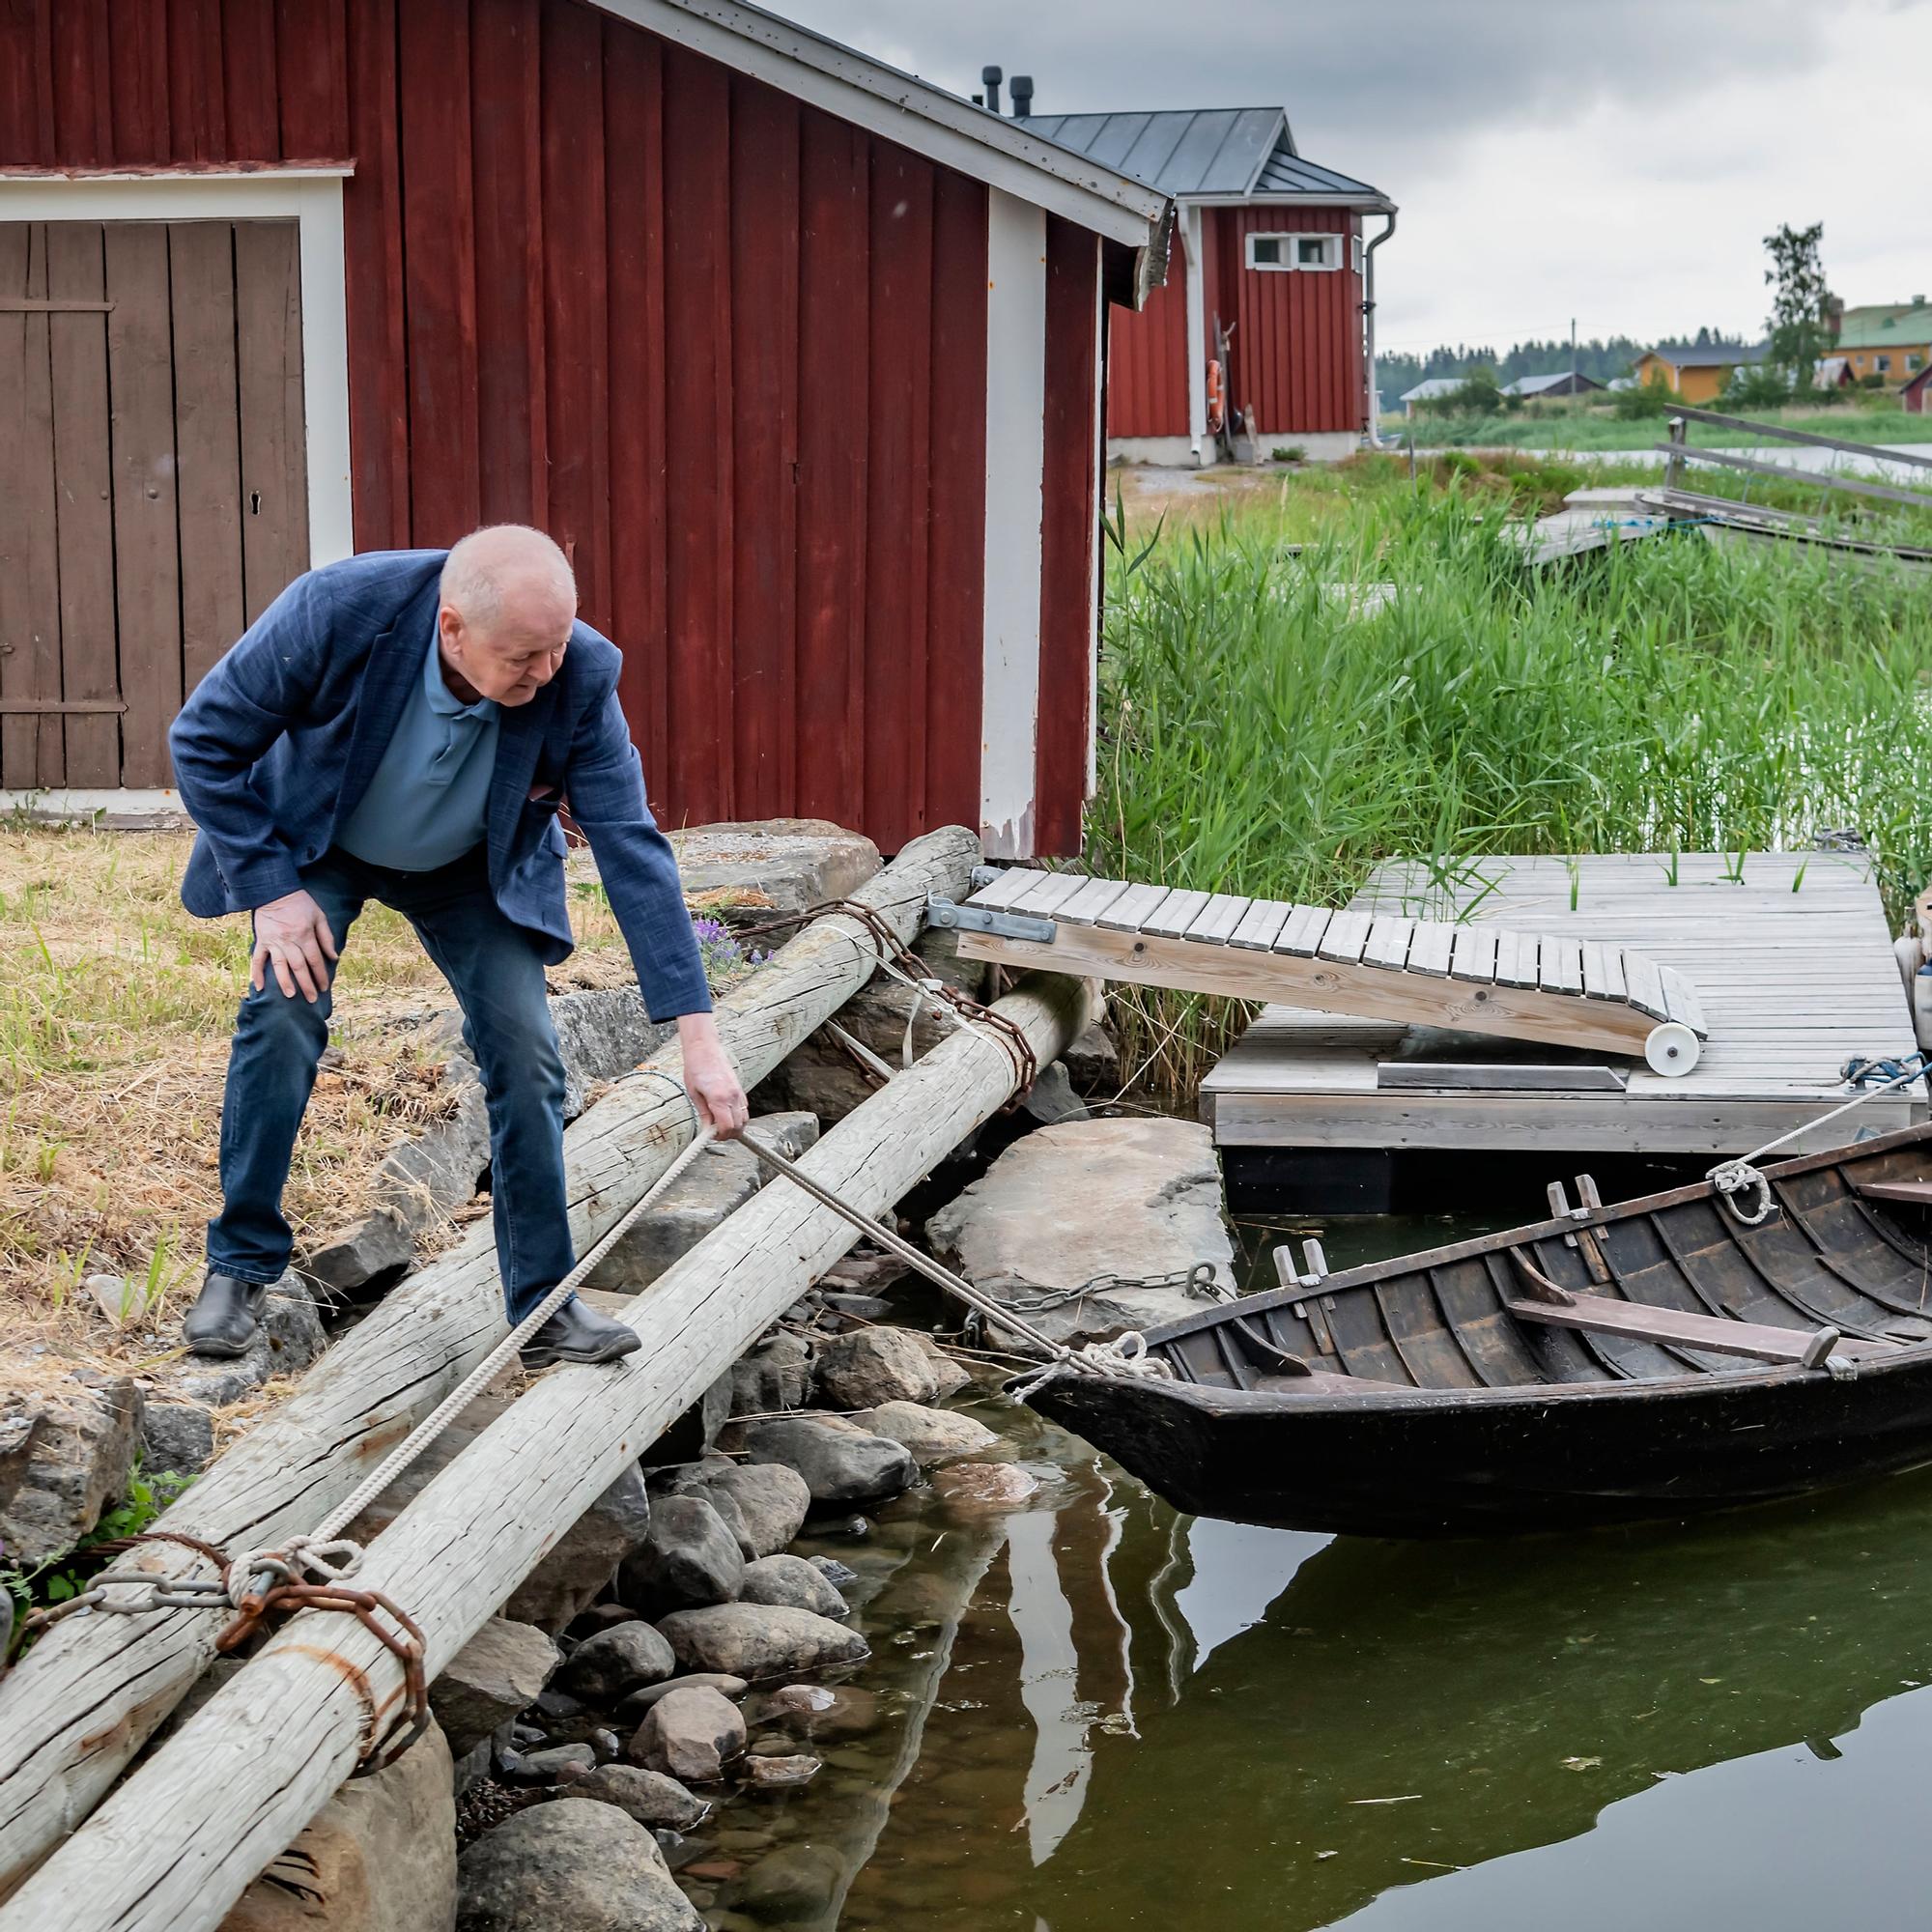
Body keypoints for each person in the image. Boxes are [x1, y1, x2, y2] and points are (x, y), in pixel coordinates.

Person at [168, 526, 749, 1368]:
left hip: (471, 868)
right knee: (283, 1011)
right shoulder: (338, 611)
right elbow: (203, 742)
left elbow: (631, 845)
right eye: (522, 658)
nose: (545, 672)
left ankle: (544, 1308)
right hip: (319, 845)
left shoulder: (580, 671)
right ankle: (239, 1266)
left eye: (555, 648)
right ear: (452, 629)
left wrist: (699, 1037)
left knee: (529, 1057)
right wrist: (270, 891)